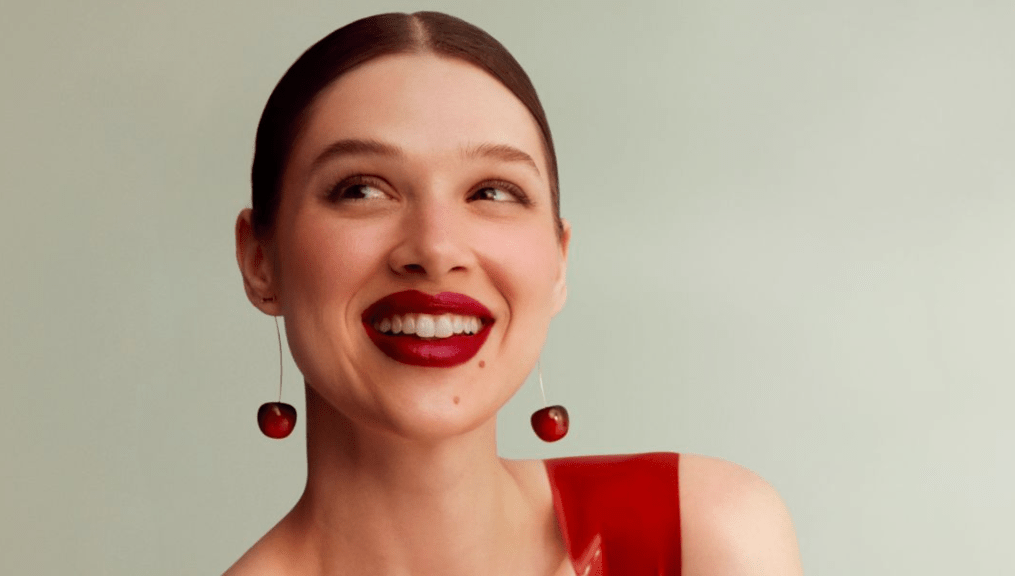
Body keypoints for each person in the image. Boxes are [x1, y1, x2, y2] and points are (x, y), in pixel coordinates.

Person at [229, 11, 802, 576]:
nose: (435, 247)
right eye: (361, 190)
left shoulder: (704, 537)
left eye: (492, 192)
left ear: (558, 262)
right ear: (260, 262)